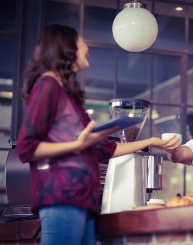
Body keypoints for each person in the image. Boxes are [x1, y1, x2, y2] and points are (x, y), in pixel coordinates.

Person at [17, 23, 177, 245]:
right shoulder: (47, 85)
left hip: (82, 201)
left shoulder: (66, 95)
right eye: (82, 40)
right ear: (66, 47)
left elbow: (105, 150)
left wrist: (151, 141)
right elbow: (27, 147)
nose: (87, 46)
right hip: (63, 198)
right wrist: (76, 145)